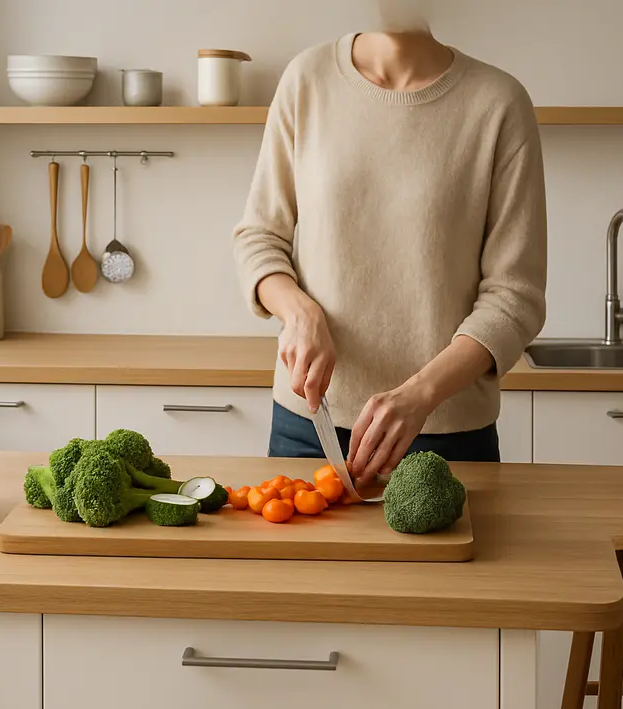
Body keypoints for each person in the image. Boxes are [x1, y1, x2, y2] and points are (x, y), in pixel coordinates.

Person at [231, 7, 547, 488]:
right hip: (309, 424)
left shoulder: (499, 103)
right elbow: (259, 237)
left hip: (446, 434)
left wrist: (421, 394)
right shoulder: (307, 79)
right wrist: (300, 314)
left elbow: (515, 296)